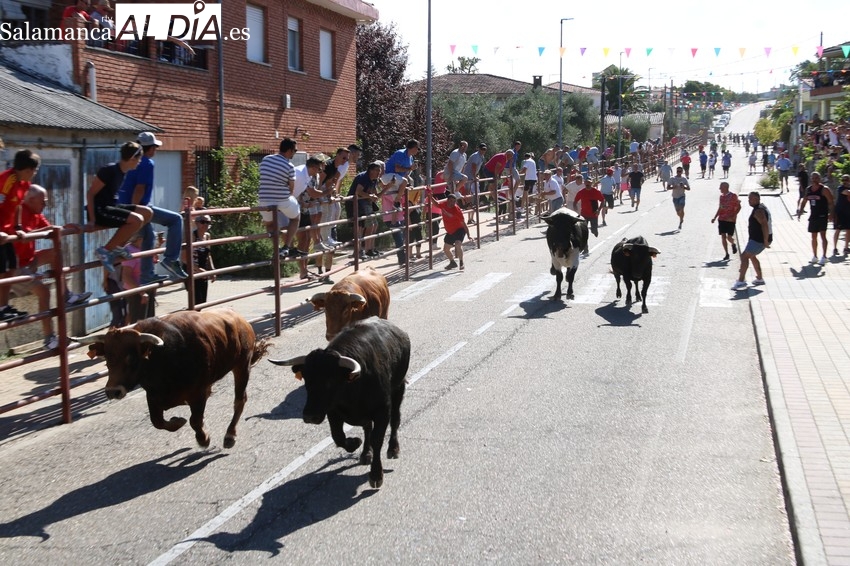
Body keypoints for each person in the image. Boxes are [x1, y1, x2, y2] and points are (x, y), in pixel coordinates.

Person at [9, 186, 89, 349]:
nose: (46, 205)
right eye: (43, 202)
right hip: (13, 266)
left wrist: (65, 228)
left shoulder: (36, 212)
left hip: (28, 260)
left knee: (54, 254)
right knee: (44, 292)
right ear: (31, 200)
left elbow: (50, 230)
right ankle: (49, 339)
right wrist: (52, 230)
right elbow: (24, 236)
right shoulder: (19, 212)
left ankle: (66, 295)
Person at [117, 132, 188, 282]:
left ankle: (147, 275)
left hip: (124, 206)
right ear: (150, 149)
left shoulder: (129, 161)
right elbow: (139, 188)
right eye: (154, 147)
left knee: (149, 237)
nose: (155, 150)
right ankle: (170, 260)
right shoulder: (146, 163)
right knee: (176, 219)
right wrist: (136, 211)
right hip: (139, 207)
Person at [87, 141, 154, 274]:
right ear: (132, 158)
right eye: (139, 159)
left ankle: (118, 247)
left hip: (112, 206)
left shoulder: (123, 171)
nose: (139, 162)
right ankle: (105, 250)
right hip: (101, 210)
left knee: (147, 212)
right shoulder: (109, 170)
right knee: (137, 219)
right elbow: (90, 193)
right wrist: (92, 220)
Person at [0, 149, 40, 322]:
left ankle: (3, 307)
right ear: (28, 169)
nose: (35, 173)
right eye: (34, 170)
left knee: (10, 269)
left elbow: (17, 206)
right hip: (0, 233)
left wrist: (17, 227)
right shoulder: (6, 180)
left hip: (7, 233)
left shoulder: (24, 184)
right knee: (2, 271)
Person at [258, 137, 304, 259]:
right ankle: (286, 247)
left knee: (269, 223)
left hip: (263, 199)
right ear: (289, 150)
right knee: (296, 218)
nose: (295, 153)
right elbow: (291, 188)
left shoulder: (265, 159)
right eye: (295, 150)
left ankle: (276, 248)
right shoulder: (289, 166)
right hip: (282, 199)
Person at [732, 192, 772, 290]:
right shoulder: (760, 207)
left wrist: (765, 240)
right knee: (752, 256)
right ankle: (759, 278)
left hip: (759, 240)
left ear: (757, 199)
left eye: (750, 199)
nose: (749, 201)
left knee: (744, 256)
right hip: (756, 238)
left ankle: (741, 281)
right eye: (748, 199)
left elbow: (764, 225)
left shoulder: (758, 211)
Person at [797, 171, 835, 266]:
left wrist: (831, 214)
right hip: (813, 216)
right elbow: (804, 201)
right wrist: (800, 211)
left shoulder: (824, 189)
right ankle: (815, 256)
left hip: (822, 216)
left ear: (820, 179)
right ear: (811, 179)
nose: (815, 180)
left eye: (817, 178)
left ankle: (824, 256)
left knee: (823, 236)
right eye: (813, 178)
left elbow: (831, 202)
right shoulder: (808, 189)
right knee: (813, 236)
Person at [427, 191, 469, 270]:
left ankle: (461, 262)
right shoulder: (444, 205)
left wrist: (469, 235)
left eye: (454, 201)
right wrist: (430, 196)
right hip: (450, 231)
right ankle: (452, 262)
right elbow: (436, 204)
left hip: (459, 229)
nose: (452, 203)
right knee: (446, 249)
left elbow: (463, 223)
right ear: (447, 200)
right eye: (450, 201)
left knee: (458, 244)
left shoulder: (457, 210)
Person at [352, 163, 382, 259]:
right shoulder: (364, 177)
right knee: (362, 227)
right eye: (377, 170)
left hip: (367, 204)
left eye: (380, 170)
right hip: (357, 204)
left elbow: (376, 196)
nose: (379, 172)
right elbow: (358, 191)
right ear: (371, 170)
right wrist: (370, 196)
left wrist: (389, 186)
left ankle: (370, 249)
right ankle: (360, 251)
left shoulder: (374, 180)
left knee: (374, 225)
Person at [183, 214, 215, 304]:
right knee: (196, 300)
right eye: (203, 222)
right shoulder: (191, 236)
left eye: (208, 222)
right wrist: (198, 269)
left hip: (203, 271)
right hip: (192, 270)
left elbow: (208, 255)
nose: (205, 225)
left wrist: (212, 270)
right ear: (196, 223)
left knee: (203, 300)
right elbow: (184, 258)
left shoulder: (207, 236)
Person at [573, 176, 604, 255]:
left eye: (589, 182)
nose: (588, 184)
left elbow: (602, 200)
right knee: (583, 232)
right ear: (584, 183)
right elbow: (575, 201)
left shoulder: (596, 192)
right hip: (584, 215)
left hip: (594, 215)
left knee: (593, 230)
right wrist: (575, 207)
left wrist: (599, 210)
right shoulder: (581, 192)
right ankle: (585, 248)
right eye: (586, 182)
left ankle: (595, 230)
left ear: (592, 183)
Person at [711, 182, 741, 261]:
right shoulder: (721, 197)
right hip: (722, 219)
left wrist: (734, 215)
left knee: (729, 237)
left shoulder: (733, 196)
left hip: (730, 220)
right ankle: (726, 253)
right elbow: (720, 208)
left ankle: (733, 244)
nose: (719, 189)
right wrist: (715, 217)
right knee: (723, 236)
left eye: (721, 187)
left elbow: (739, 207)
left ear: (726, 187)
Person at [463, 143, 487, 224]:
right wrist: (474, 177)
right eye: (482, 149)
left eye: (485, 149)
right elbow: (473, 166)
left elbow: (477, 168)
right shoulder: (476, 156)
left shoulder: (481, 157)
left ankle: (471, 218)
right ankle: (469, 218)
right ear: (479, 149)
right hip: (469, 178)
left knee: (475, 197)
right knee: (469, 197)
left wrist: (476, 175)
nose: (483, 151)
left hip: (473, 178)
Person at [833, 174, 850, 257]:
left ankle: (846, 247)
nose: (845, 181)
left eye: (846, 180)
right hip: (840, 212)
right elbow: (847, 193)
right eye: (843, 180)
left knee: (848, 230)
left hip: (848, 212)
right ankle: (835, 248)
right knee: (838, 229)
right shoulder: (840, 188)